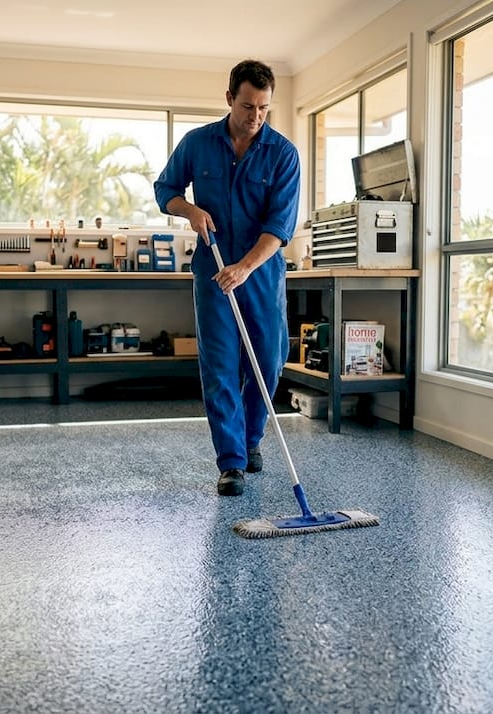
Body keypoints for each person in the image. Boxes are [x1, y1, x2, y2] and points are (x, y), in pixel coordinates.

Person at [154, 59, 301, 497]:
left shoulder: (283, 154)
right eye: (247, 106)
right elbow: (165, 190)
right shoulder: (197, 143)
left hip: (260, 272)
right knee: (220, 365)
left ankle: (251, 437)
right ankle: (231, 461)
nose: (256, 116)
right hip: (215, 271)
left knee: (268, 360)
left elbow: (279, 227)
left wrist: (246, 267)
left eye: (264, 108)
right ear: (229, 99)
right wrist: (190, 210)